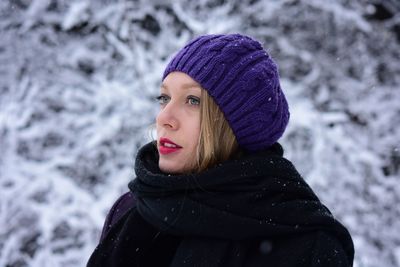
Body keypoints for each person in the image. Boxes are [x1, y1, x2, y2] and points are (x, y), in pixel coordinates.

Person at [87, 33, 354, 267]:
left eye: (193, 101)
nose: (164, 118)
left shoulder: (307, 244)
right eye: (164, 98)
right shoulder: (131, 209)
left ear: (236, 125)